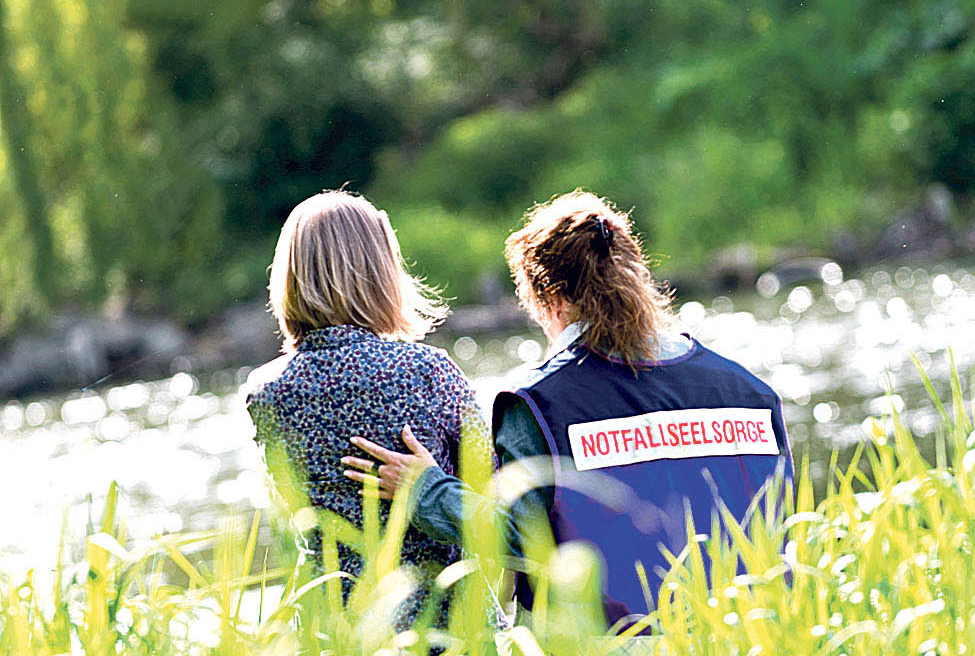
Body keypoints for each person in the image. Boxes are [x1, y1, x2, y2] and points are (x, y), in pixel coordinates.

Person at [344, 190, 794, 631]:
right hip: (752, 642)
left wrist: (427, 491)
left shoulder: (540, 402)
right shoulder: (751, 391)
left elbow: (523, 539)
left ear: (552, 301)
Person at [245, 189, 488, 626]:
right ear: (380, 273)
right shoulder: (429, 372)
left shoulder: (266, 392)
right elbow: (495, 502)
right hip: (447, 633)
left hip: (341, 638)